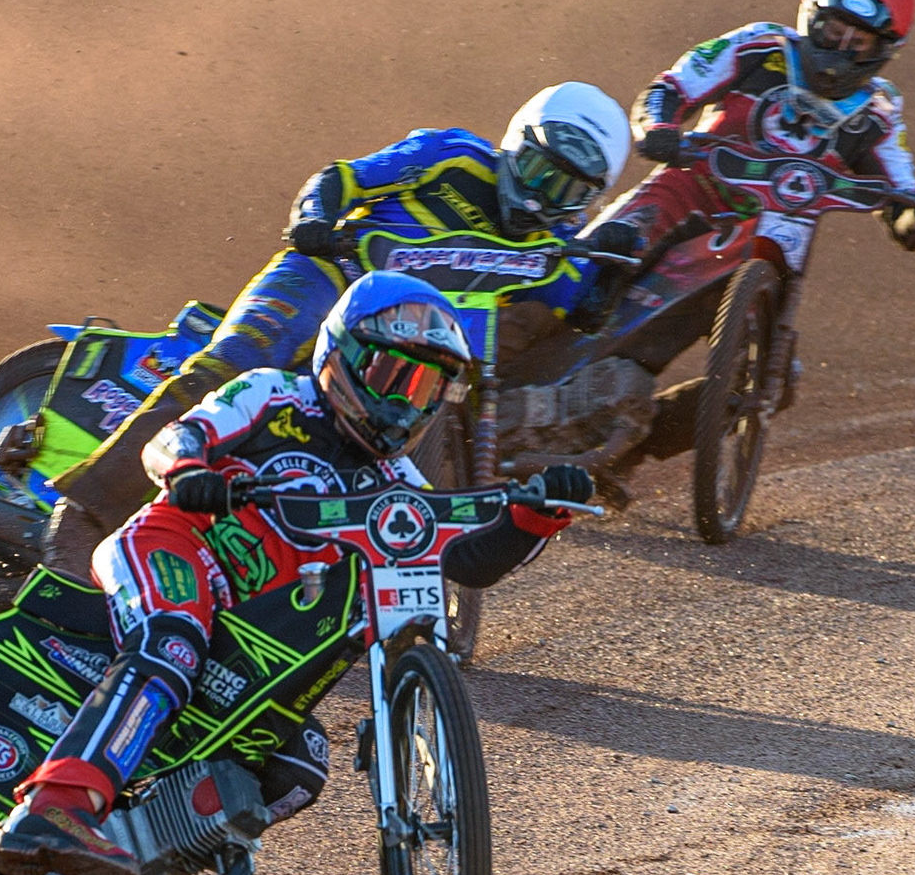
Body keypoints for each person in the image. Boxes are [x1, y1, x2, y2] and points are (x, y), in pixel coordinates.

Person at [0, 272, 592, 875]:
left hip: (246, 626)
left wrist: (530, 520)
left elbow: (462, 562)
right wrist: (189, 470)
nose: (404, 403)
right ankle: (51, 808)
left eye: (425, 389)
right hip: (170, 548)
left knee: (298, 762)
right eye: (393, 377)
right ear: (342, 356)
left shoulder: (398, 479)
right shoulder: (272, 394)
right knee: (172, 637)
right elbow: (175, 437)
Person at [42, 82, 629, 570]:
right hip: (326, 274)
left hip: (405, 349)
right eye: (534, 169)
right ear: (513, 143)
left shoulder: (556, 247)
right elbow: (341, 180)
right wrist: (313, 219)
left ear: (590, 198)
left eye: (565, 187)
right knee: (232, 369)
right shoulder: (450, 155)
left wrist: (611, 266)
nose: (538, 193)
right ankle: (79, 519)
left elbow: (582, 314)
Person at [579, 0, 915, 306]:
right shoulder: (759, 45)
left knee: (762, 377)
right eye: (833, 32)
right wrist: (659, 129)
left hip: (775, 234)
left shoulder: (879, 110)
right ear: (812, 16)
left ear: (884, 49)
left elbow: (899, 199)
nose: (839, 50)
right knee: (589, 265)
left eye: (858, 41)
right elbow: (672, 87)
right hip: (687, 189)